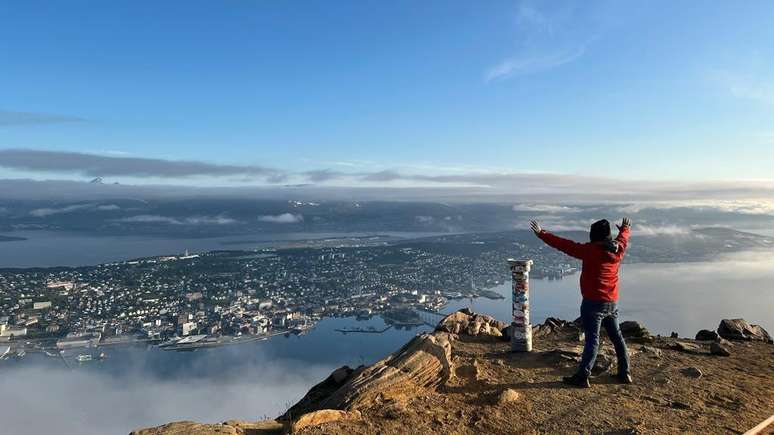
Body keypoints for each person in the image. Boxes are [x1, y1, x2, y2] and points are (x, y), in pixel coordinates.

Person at [530, 218, 633, 388]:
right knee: (617, 337)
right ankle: (625, 373)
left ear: (594, 235)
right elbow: (623, 239)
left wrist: (542, 234)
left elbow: (564, 245)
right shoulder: (618, 250)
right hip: (611, 302)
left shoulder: (590, 250)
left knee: (592, 340)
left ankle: (583, 376)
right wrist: (625, 229)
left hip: (592, 303)